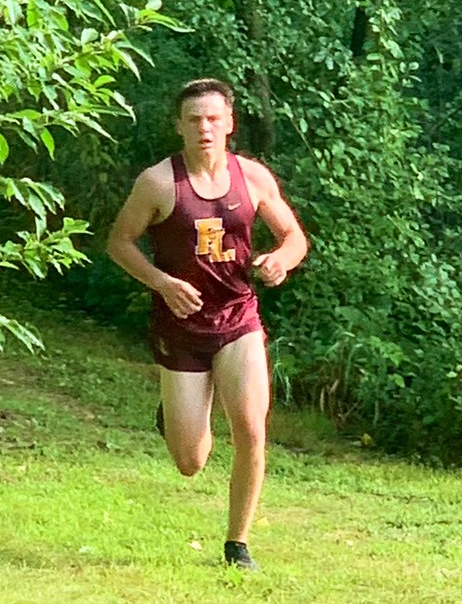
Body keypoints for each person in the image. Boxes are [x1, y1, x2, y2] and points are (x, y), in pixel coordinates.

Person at [107, 78, 308, 571]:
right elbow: (120, 243)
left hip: (239, 318)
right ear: (179, 126)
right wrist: (161, 282)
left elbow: (294, 237)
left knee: (252, 430)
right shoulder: (158, 183)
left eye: (214, 119)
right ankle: (179, 414)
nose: (205, 128)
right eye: (194, 120)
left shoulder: (253, 177)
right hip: (181, 327)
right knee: (190, 461)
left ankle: (237, 545)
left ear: (230, 124)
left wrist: (281, 260)